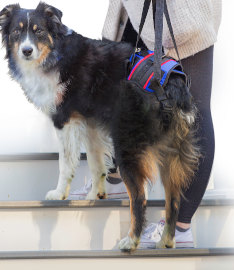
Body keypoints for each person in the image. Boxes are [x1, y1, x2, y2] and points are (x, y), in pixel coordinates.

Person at [68, 0, 222, 248]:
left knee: (195, 110)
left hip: (186, 12)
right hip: (136, 6)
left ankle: (179, 227)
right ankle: (116, 176)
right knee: (120, 88)